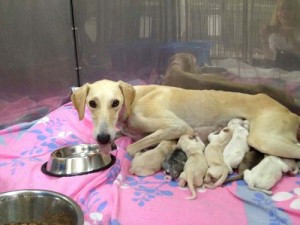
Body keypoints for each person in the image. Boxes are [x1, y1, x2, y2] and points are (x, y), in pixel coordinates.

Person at [260, 0, 300, 71]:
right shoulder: (274, 33)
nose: (285, 12)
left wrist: (291, 37)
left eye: (289, 9)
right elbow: (270, 57)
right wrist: (264, 40)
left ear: (296, 12)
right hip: (280, 72)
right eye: (281, 9)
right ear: (277, 13)